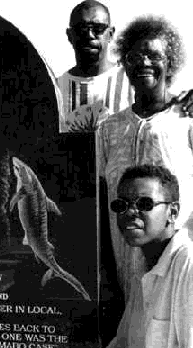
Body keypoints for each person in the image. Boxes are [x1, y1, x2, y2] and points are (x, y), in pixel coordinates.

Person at [96, 15, 193, 300]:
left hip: (178, 269)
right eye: (134, 56)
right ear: (124, 64)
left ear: (171, 62)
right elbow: (103, 199)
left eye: (154, 55)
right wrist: (103, 271)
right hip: (124, 270)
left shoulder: (185, 121)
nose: (144, 62)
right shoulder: (108, 128)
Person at [103, 165, 193, 348]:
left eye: (144, 203)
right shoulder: (144, 263)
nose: (131, 212)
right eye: (121, 205)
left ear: (172, 212)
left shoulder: (187, 266)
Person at [58, 1, 193, 132]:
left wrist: (188, 102)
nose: (89, 35)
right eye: (81, 29)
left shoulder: (135, 77)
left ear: (110, 34)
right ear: (70, 35)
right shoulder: (55, 89)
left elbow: (170, 106)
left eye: (98, 28)